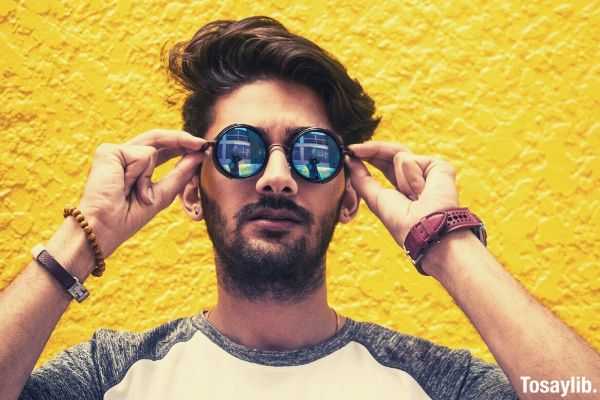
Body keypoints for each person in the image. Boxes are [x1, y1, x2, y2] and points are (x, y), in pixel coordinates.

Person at [1, 16, 598, 400]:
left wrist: (447, 244)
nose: (279, 178)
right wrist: (85, 237)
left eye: (312, 154)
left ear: (348, 198)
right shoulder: (112, 375)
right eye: (241, 149)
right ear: (189, 187)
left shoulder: (435, 383)